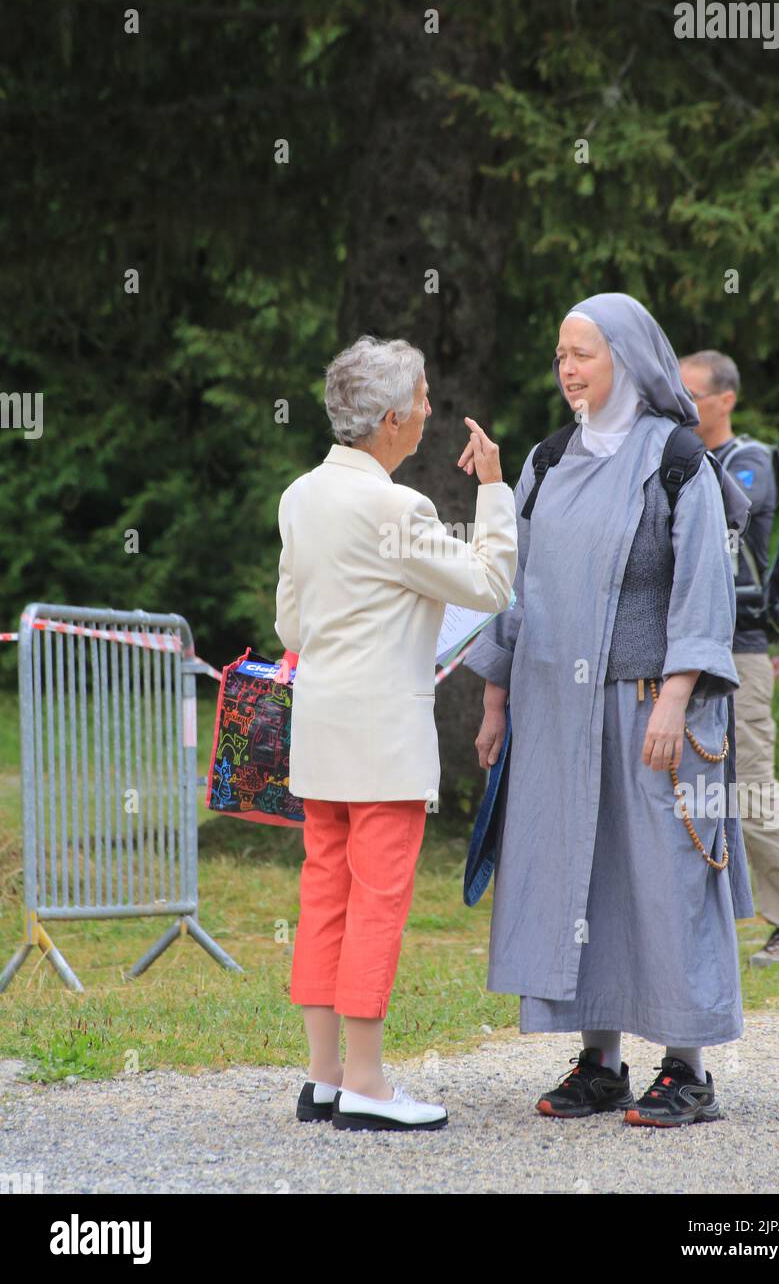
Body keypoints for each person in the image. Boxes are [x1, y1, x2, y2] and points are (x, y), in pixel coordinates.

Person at [462, 293, 754, 1128]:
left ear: (625, 357)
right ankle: (601, 1063)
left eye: (582, 352)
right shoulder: (547, 462)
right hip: (557, 714)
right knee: (577, 877)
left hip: (648, 712)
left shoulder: (676, 457)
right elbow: (516, 590)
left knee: (663, 880)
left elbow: (703, 589)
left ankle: (688, 1070)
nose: (567, 367)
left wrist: (673, 698)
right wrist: (494, 697)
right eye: (559, 353)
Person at [275, 334, 518, 1131]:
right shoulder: (398, 505)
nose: (428, 413)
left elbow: (290, 622)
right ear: (388, 420)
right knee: (377, 905)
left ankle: (323, 1077)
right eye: (420, 401)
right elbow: (489, 585)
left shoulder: (300, 494)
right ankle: (370, 1085)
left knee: (324, 900)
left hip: (320, 731)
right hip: (383, 740)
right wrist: (492, 488)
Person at [679, 349, 779, 968]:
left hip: (741, 650)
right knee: (684, 789)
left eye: (694, 396)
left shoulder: (751, 463)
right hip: (682, 651)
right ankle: (688, 926)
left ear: (726, 399)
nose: (683, 408)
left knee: (753, 790)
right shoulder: (679, 459)